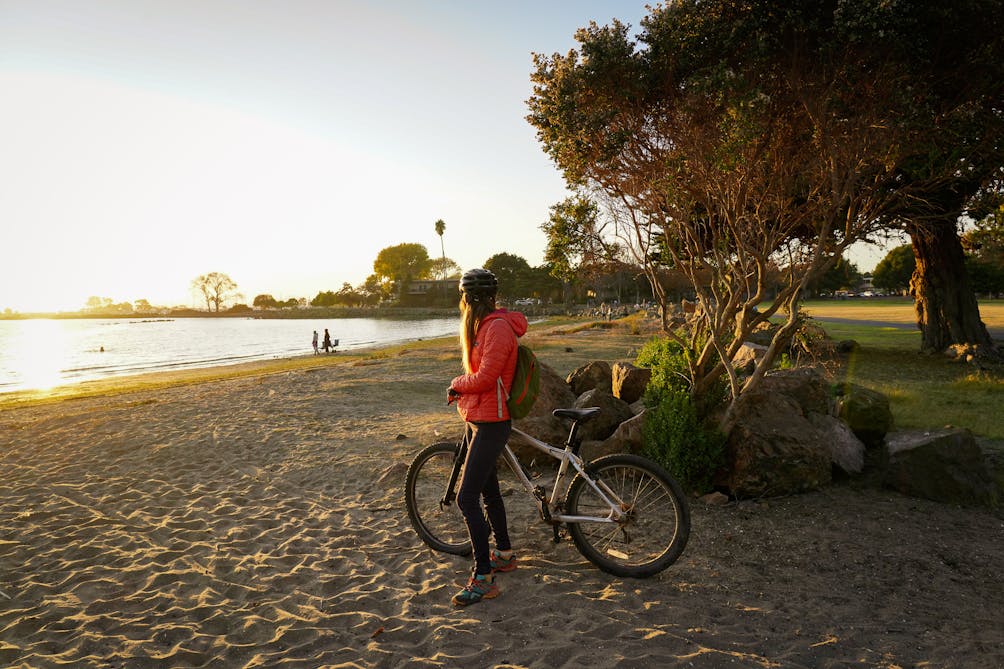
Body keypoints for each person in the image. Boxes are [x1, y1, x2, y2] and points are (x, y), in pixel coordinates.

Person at [447, 268, 528, 606]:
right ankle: (505, 555)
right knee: (489, 492)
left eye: (463, 298)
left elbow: (486, 376)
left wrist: (456, 384)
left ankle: (483, 578)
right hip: (480, 417)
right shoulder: (487, 326)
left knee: (466, 498)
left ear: (470, 299)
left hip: (492, 422)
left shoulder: (495, 328)